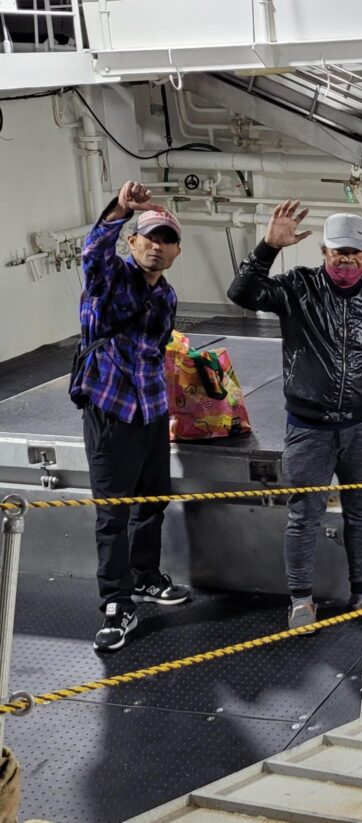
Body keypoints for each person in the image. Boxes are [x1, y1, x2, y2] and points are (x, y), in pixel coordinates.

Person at [227, 201, 362, 629]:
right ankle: (301, 600)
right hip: (308, 429)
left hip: (361, 429)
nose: (346, 259)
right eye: (338, 251)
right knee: (304, 515)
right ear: (323, 251)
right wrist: (268, 246)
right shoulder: (296, 288)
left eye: (354, 252)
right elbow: (242, 294)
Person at [71, 180, 191, 653]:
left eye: (166, 240)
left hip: (152, 411)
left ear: (177, 250)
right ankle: (116, 604)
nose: (156, 247)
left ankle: (144, 577)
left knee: (152, 500)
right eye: (148, 238)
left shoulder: (167, 297)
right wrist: (119, 209)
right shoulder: (108, 278)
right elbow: (92, 252)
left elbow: (157, 348)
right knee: (112, 513)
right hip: (110, 409)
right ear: (132, 241)